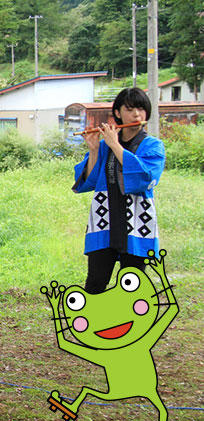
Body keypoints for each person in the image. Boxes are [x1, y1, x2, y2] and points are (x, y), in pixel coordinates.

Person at [73, 87, 165, 294]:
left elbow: (146, 178)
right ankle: (95, 325)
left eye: (141, 109)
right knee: (95, 282)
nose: (136, 115)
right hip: (104, 222)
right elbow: (89, 182)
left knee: (132, 286)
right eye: (130, 109)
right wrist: (95, 150)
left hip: (137, 223)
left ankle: (133, 326)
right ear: (117, 113)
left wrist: (116, 146)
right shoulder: (105, 145)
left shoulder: (153, 146)